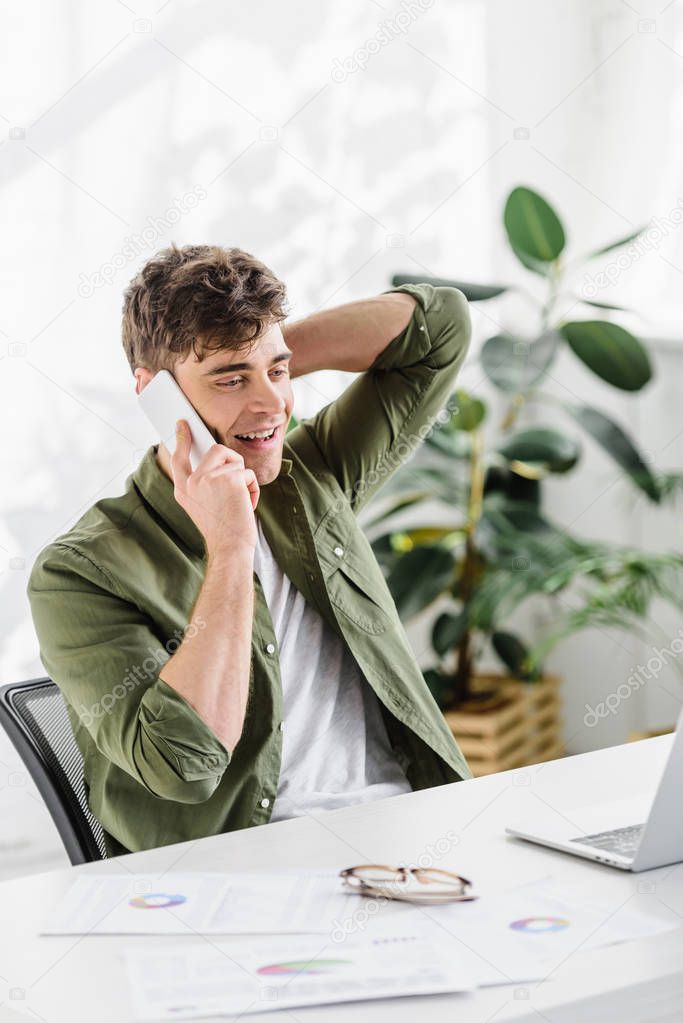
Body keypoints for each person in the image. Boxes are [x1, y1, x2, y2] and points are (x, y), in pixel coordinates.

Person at [27, 243, 473, 856]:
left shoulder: (310, 476)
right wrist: (231, 546)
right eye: (230, 380)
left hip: (412, 831)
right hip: (238, 874)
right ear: (156, 395)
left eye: (279, 372)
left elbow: (438, 327)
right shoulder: (79, 573)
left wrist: (259, 349)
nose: (273, 407)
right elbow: (184, 763)